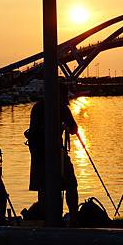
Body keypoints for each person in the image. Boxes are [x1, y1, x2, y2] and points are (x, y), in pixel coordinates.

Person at [25, 83, 79, 225]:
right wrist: (65, 126)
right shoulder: (61, 107)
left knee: (43, 187)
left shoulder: (36, 107)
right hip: (56, 153)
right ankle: (74, 218)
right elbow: (74, 128)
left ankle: (46, 217)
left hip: (38, 154)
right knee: (71, 184)